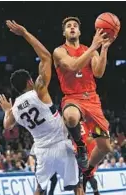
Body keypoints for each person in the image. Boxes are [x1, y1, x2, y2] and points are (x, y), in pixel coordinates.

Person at [0, 20, 83, 195]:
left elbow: (7, 125)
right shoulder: (39, 91)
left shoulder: (15, 109)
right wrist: (25, 33)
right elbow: (45, 56)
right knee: (77, 185)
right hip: (61, 144)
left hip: (42, 152)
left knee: (39, 188)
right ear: (30, 81)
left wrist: (7, 109)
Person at [53, 16, 115, 184]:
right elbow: (73, 66)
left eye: (75, 26)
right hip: (73, 98)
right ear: (64, 32)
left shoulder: (91, 49)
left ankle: (87, 171)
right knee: (71, 117)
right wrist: (95, 46)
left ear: (79, 31)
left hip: (92, 99)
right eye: (68, 26)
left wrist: (104, 49)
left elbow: (99, 72)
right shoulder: (59, 51)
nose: (72, 28)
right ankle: (80, 147)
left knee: (105, 147)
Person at [73, 122, 100, 195]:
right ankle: (96, 192)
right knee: (87, 177)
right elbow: (97, 132)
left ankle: (95, 192)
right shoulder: (86, 122)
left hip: (81, 148)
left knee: (85, 178)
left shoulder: (76, 122)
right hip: (85, 149)